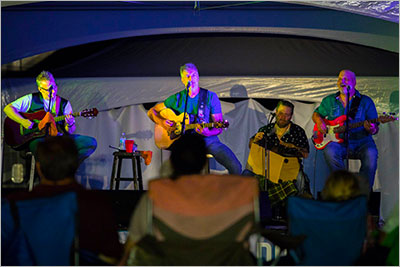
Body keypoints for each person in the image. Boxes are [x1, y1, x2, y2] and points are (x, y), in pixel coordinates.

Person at [119, 134, 258, 265]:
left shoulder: (157, 195)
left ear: (172, 162)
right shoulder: (230, 195)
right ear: (204, 161)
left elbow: (133, 242)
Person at [2, 136, 122, 265]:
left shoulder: (13, 205)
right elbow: (112, 257)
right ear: (76, 164)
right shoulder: (96, 205)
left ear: (38, 167)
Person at [147, 63, 242, 174]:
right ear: (182, 79)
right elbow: (151, 112)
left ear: (198, 76)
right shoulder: (177, 98)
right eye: (187, 76)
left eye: (194, 75)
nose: (191, 79)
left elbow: (219, 127)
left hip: (208, 140)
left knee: (235, 167)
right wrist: (163, 122)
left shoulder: (210, 97)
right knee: (179, 171)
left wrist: (207, 132)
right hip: (184, 142)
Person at [3, 70, 97, 164]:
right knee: (43, 151)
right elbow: (7, 109)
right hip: (36, 139)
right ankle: (51, 173)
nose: (53, 91)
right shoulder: (31, 99)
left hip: (57, 138)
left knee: (90, 142)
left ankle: (68, 167)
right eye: (49, 89)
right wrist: (23, 121)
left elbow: (70, 131)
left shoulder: (64, 104)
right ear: (40, 89)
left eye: (54, 86)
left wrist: (70, 123)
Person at [312, 70, 379, 190]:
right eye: (339, 79)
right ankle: (343, 187)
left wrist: (372, 129)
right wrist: (319, 121)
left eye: (346, 79)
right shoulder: (329, 100)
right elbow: (316, 114)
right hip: (339, 142)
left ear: (354, 82)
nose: (342, 82)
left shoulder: (365, 101)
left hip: (362, 141)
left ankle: (363, 192)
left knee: (371, 154)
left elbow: (375, 127)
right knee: (330, 151)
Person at [243, 100, 310, 207]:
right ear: (275, 112)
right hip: (268, 168)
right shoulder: (267, 129)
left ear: (291, 116)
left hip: (288, 168)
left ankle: (299, 210)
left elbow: (305, 154)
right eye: (280, 113)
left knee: (301, 180)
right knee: (247, 174)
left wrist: (290, 146)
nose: (282, 117)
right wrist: (254, 140)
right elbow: (251, 146)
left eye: (287, 115)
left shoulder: (298, 131)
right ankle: (250, 210)